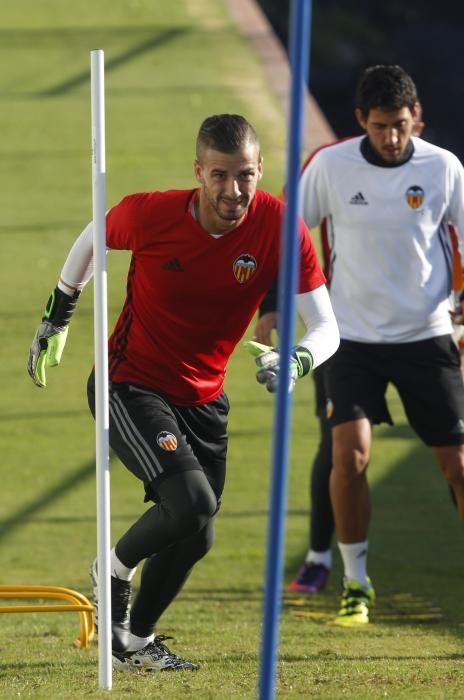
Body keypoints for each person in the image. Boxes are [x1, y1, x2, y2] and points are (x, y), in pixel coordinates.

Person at [27, 114, 340, 670]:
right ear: (198, 172)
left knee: (196, 535)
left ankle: (134, 642)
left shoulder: (279, 225)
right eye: (219, 175)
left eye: (245, 175)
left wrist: (296, 361)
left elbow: (327, 327)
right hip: (131, 383)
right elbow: (92, 238)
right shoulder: (150, 214)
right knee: (191, 502)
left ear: (260, 169)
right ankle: (113, 569)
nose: (234, 190)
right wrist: (59, 316)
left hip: (205, 397)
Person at [256, 64, 464, 627]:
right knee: (347, 456)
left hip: (427, 335)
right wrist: (269, 304)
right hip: (348, 338)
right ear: (359, 122)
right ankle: (355, 584)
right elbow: (288, 238)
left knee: (458, 465)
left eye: (400, 125)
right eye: (379, 127)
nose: (392, 138)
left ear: (416, 116)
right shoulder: (329, 166)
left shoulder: (445, 168)